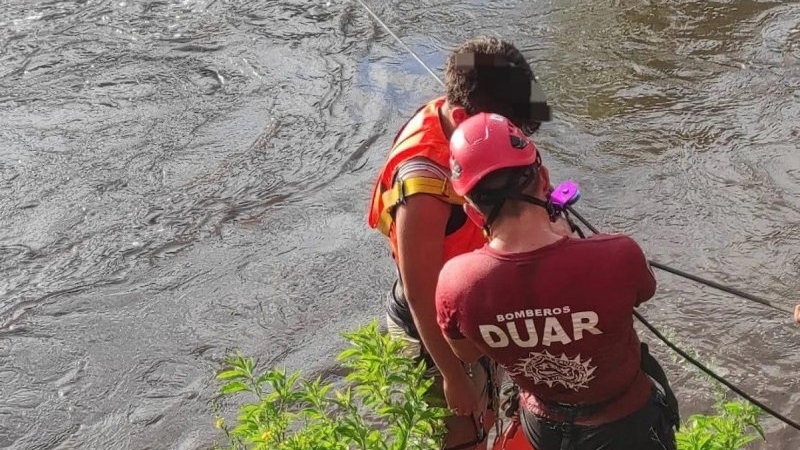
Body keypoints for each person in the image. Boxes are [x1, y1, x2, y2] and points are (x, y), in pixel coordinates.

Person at [435, 112, 678, 450]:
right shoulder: (618, 255)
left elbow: (468, 351)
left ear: (473, 212)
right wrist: (571, 245)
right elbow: (642, 292)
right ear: (544, 179)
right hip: (627, 428)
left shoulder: (455, 284)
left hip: (543, 428)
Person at [366, 36, 563, 449]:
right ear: (461, 115)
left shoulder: (480, 121)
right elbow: (422, 297)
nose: (510, 137)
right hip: (433, 329)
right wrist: (452, 378)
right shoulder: (422, 185)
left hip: (481, 299)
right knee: (464, 432)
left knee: (498, 414)